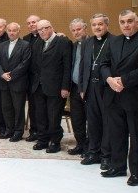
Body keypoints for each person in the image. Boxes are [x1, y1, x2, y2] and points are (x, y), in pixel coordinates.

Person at [99, 10, 138, 186]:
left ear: (137, 22)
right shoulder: (113, 41)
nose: (126, 25)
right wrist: (109, 79)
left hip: (135, 96)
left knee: (137, 135)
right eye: (123, 22)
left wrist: (123, 81)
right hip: (113, 94)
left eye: (130, 21)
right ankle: (117, 167)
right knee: (116, 133)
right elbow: (104, 64)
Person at [29, 20, 72, 153]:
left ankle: (55, 141)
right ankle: (43, 140)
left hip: (56, 87)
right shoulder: (38, 43)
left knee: (53, 116)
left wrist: (65, 87)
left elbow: (67, 66)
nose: (41, 31)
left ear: (51, 28)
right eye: (39, 29)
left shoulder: (63, 42)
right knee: (40, 115)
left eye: (44, 28)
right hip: (39, 86)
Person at [79, 13, 113, 168]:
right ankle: (93, 152)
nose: (97, 27)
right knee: (92, 123)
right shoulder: (87, 43)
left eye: (100, 24)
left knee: (107, 123)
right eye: (94, 25)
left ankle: (106, 155)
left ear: (106, 25)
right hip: (89, 88)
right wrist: (81, 87)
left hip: (106, 88)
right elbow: (82, 66)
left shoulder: (114, 41)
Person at [0, 22, 31, 142]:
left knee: (18, 108)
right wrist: (2, 74)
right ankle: (9, 130)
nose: (11, 32)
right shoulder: (2, 45)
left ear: (18, 31)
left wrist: (11, 74)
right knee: (6, 108)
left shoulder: (25, 45)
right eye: (9, 30)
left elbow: (25, 63)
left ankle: (18, 132)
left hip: (18, 82)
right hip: (4, 82)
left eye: (14, 30)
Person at [67, 18, 88, 156]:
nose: (76, 32)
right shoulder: (74, 46)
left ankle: (91, 147)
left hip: (88, 89)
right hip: (74, 87)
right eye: (73, 30)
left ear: (85, 28)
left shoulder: (93, 44)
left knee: (91, 120)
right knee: (77, 119)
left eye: (79, 29)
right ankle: (80, 144)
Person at [23, 14, 41, 141]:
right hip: (30, 79)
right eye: (29, 23)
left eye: (33, 22)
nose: (31, 25)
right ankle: (33, 131)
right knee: (33, 107)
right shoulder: (25, 39)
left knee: (42, 108)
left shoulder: (48, 36)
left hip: (43, 80)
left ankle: (43, 133)